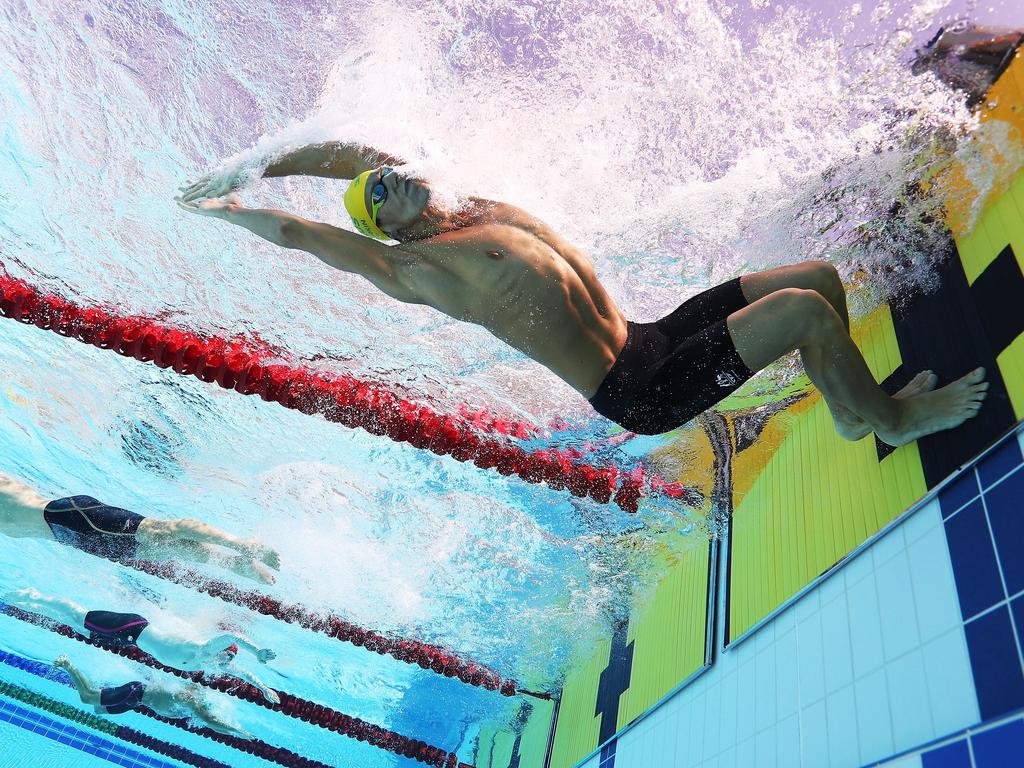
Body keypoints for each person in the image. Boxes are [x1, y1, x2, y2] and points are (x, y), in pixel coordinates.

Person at [177, 140, 987, 445]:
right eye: (377, 195)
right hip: (638, 388)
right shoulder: (418, 269)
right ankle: (891, 422)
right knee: (805, 314)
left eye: (388, 178)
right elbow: (299, 235)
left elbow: (353, 154)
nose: (388, 180)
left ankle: (847, 409)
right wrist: (232, 199)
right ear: (383, 233)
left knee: (816, 280)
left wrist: (272, 156)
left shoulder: (471, 210)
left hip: (650, 336)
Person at [5, 588, 280, 703]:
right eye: (226, 659)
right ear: (219, 652)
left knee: (76, 626)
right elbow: (231, 635)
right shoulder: (204, 650)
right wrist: (258, 653)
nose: (225, 667)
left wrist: (265, 689)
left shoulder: (207, 663)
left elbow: (243, 675)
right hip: (130, 628)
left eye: (227, 663)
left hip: (128, 641)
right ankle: (35, 596)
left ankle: (29, 604)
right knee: (77, 615)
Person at [0, 474, 280, 584]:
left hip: (69, 516)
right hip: (72, 539)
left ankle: (242, 545)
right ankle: (236, 564)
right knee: (180, 551)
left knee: (163, 530)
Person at [53, 654, 252, 738]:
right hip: (135, 693)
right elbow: (211, 721)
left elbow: (212, 723)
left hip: (135, 702)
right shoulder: (192, 701)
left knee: (99, 710)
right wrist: (237, 731)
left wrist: (232, 731)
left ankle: (104, 690)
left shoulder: (193, 699)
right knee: (87, 698)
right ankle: (67, 665)